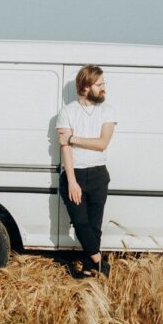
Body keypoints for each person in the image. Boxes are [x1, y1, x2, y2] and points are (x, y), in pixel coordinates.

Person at [56, 65, 117, 278]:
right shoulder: (67, 112)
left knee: (94, 226)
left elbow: (102, 144)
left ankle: (90, 269)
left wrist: (73, 138)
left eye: (103, 84)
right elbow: (65, 150)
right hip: (76, 174)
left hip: (99, 174)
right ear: (85, 87)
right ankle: (101, 264)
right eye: (99, 84)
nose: (104, 88)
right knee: (80, 223)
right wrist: (72, 181)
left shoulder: (107, 111)